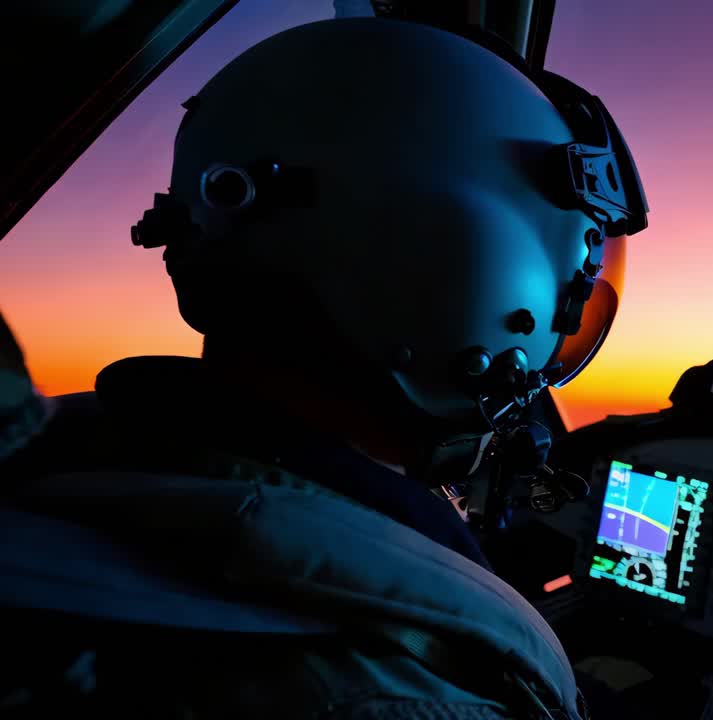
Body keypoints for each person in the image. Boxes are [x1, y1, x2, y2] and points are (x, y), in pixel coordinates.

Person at [0, 11, 646, 719]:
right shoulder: (385, 696)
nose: (562, 332)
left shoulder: (91, 460)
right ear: (462, 255)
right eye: (578, 278)